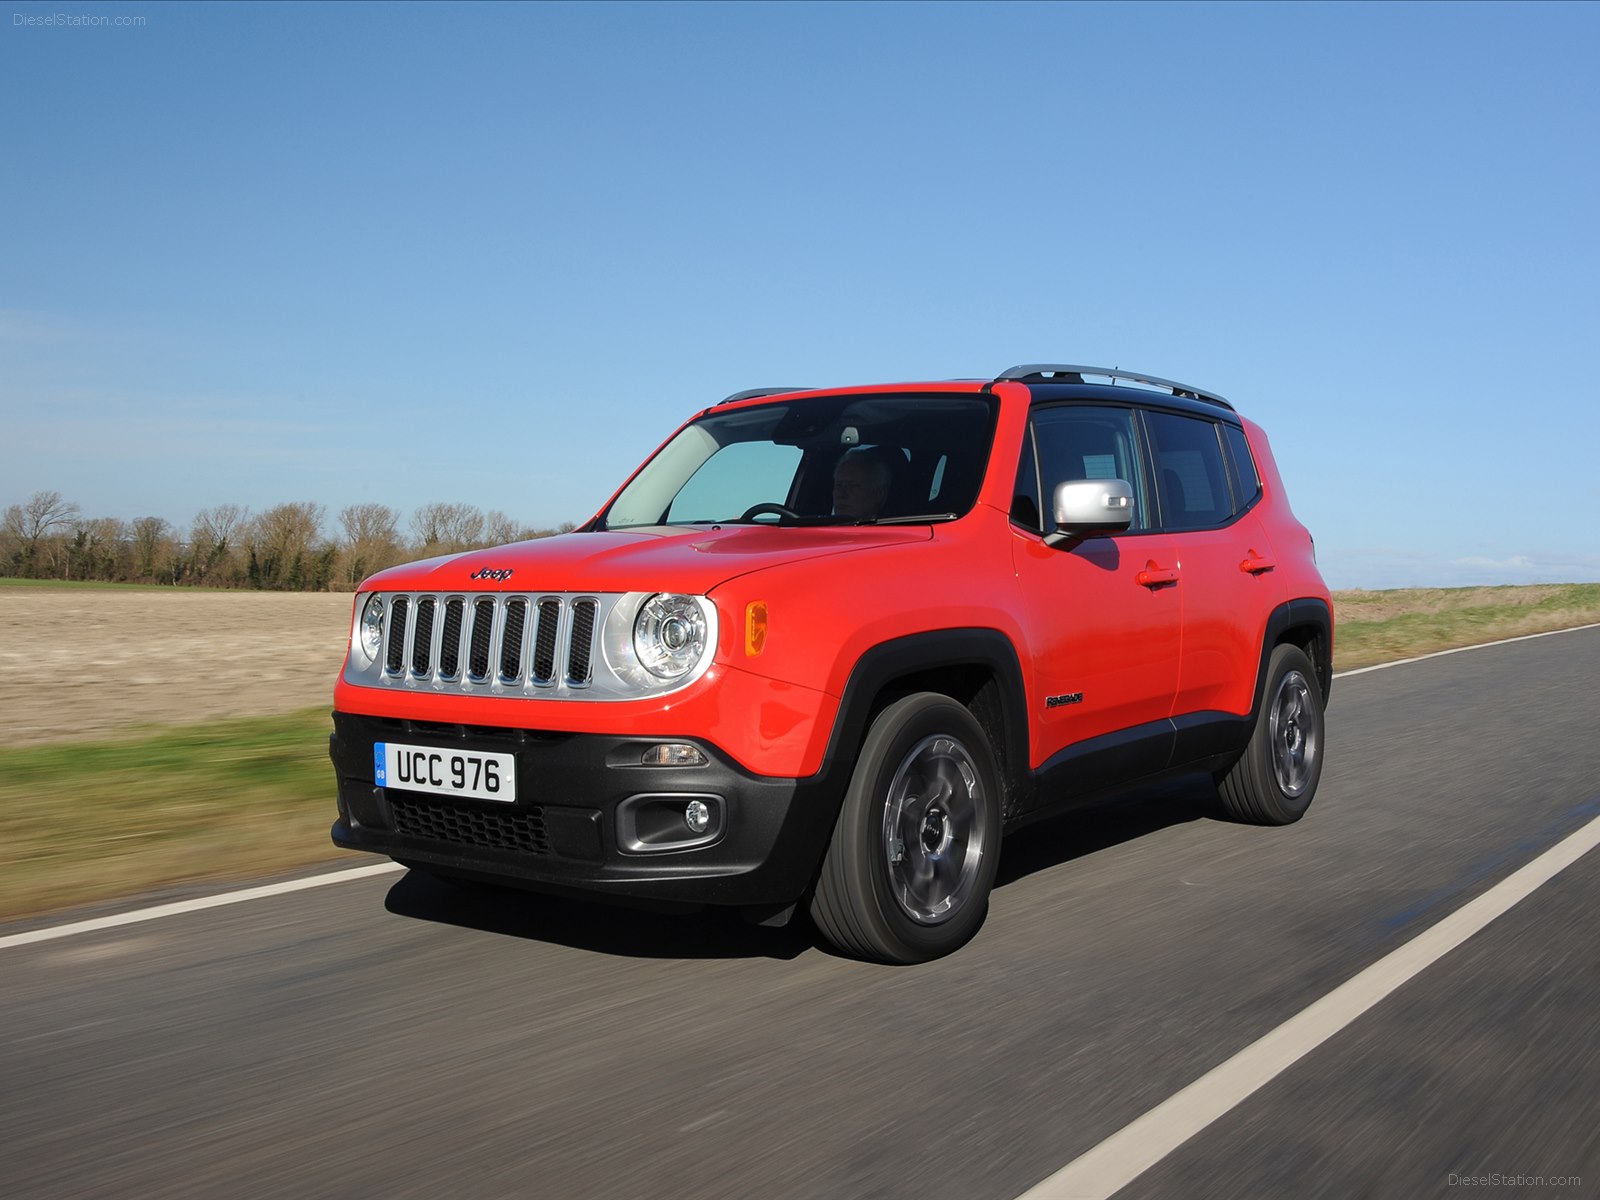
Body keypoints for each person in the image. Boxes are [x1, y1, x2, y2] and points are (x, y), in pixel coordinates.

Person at [832, 446, 894, 519]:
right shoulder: (820, 527)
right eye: (838, 485)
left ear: (879, 494)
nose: (841, 494)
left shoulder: (892, 529)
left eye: (853, 486)